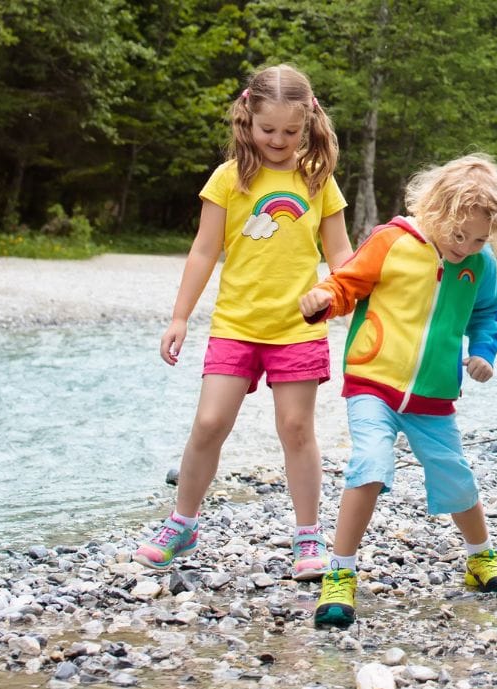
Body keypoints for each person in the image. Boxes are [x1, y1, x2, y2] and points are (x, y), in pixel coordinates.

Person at [133, 64, 353, 582]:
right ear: (248, 121)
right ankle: (182, 523)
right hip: (235, 325)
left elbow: (340, 250)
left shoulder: (318, 179)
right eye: (267, 129)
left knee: (297, 429)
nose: (278, 140)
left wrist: (347, 294)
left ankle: (307, 538)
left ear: (309, 124)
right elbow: (204, 250)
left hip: (298, 327)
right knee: (210, 423)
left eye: (290, 132)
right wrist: (180, 317)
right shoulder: (230, 178)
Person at [299, 153, 497, 629]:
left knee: (455, 473)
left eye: (479, 238)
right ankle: (340, 573)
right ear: (437, 212)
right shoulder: (393, 241)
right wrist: (322, 300)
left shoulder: (479, 264)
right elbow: (347, 284)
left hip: (433, 394)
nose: (466, 246)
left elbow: (487, 315)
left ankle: (480, 556)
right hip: (373, 382)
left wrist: (484, 352)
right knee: (370, 465)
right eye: (458, 235)